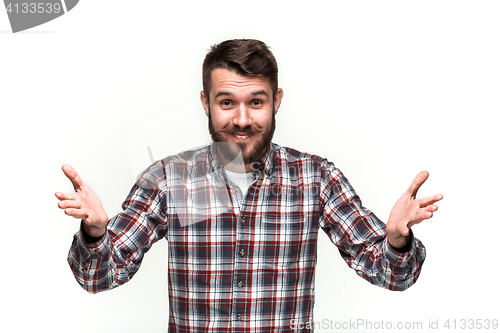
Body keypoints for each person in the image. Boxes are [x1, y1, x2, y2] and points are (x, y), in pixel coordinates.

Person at [55, 39, 443, 332]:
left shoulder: (316, 178)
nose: (242, 119)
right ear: (206, 103)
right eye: (227, 102)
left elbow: (393, 275)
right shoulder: (167, 179)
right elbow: (97, 277)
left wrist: (395, 241)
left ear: (276, 101)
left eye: (256, 102)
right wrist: (94, 233)